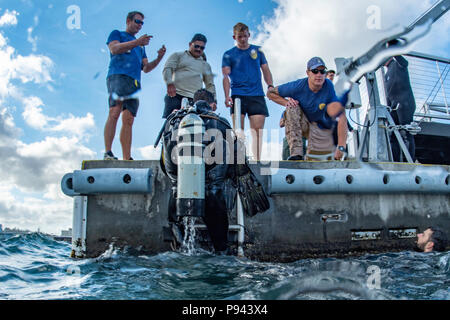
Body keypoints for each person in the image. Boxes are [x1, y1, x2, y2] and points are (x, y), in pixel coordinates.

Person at [159, 88, 270, 254]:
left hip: (179, 195)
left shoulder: (174, 121)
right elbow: (237, 162)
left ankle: (180, 248)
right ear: (212, 105)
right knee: (221, 250)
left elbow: (164, 164)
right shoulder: (222, 122)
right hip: (213, 195)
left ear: (192, 103)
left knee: (180, 251)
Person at [104, 11, 166, 160]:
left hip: (134, 82)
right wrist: (137, 42)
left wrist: (159, 57)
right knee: (115, 112)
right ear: (128, 20)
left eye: (142, 23)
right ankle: (108, 152)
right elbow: (114, 49)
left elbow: (146, 68)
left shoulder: (141, 47)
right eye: (137, 21)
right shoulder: (117, 34)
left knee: (129, 119)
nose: (140, 25)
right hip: (118, 76)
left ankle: (127, 157)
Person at [267, 57, 348, 161]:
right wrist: (286, 102)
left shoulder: (328, 86)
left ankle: (326, 152)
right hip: (303, 125)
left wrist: (341, 147)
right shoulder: (297, 86)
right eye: (315, 71)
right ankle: (296, 154)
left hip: (319, 129)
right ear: (308, 73)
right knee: (292, 108)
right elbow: (270, 93)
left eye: (322, 71)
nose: (319, 75)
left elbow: (341, 116)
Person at [222, 22, 274, 161]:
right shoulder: (228, 55)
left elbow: (266, 69)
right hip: (238, 95)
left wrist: (270, 86)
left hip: (256, 95)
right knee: (239, 132)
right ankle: (240, 160)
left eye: (245, 36)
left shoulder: (258, 51)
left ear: (249, 35)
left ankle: (256, 160)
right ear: (234, 37)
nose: (243, 39)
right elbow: (225, 77)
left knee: (257, 131)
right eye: (240, 37)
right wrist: (227, 96)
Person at [162, 33, 217, 118]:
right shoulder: (178, 55)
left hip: (195, 100)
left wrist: (213, 101)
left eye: (202, 48)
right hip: (176, 96)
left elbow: (210, 84)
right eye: (196, 46)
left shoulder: (205, 65)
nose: (199, 49)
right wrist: (169, 82)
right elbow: (168, 69)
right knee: (171, 124)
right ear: (190, 44)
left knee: (196, 126)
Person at [384, 40, 416, 162]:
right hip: (393, 106)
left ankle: (410, 162)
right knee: (392, 134)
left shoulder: (397, 63)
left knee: (405, 132)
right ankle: (397, 162)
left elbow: (405, 62)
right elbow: (388, 94)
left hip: (405, 103)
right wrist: (387, 109)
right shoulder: (386, 73)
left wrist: (393, 48)